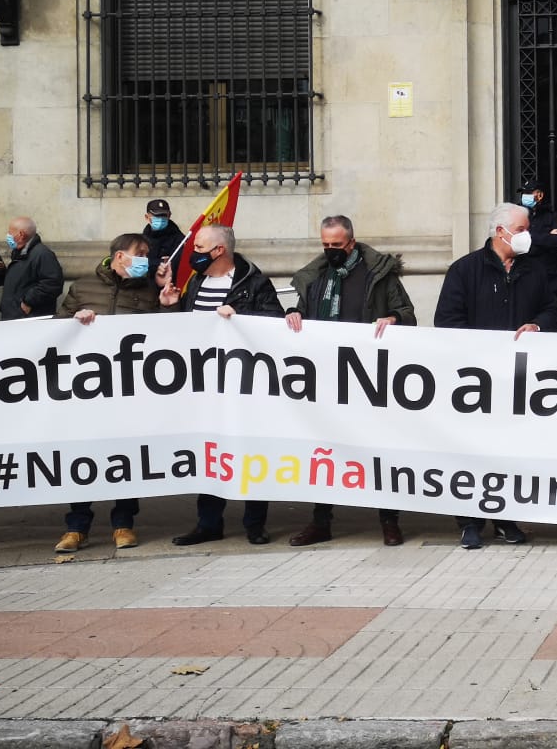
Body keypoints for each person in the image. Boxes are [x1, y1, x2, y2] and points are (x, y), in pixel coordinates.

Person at [435, 202, 557, 549]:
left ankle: (505, 517)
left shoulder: (534, 271)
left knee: (508, 450)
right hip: (474, 383)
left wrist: (538, 325)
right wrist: (480, 353)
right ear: (500, 232)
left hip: (517, 382)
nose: (527, 236)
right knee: (471, 451)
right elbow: (447, 322)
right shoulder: (464, 270)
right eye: (522, 230)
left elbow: (553, 310)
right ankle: (469, 522)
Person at [284, 215, 417, 548]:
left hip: (369, 377)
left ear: (352, 243)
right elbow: (303, 310)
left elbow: (408, 313)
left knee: (379, 449)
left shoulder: (378, 275)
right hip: (326, 377)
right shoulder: (315, 277)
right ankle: (321, 520)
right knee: (324, 448)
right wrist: (293, 313)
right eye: (326, 245)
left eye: (337, 246)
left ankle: (389, 520)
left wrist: (393, 318)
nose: (331, 251)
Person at [159, 225, 285, 546]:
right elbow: (184, 335)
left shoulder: (253, 282)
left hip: (244, 385)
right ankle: (208, 522)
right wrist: (171, 306)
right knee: (211, 452)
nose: (193, 253)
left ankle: (255, 524)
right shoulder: (196, 282)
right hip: (206, 385)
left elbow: (274, 322)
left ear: (219, 251)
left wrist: (240, 314)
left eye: (199, 248)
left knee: (251, 452)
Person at [53, 233, 167, 553]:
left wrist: (169, 303)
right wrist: (75, 321)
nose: (146, 258)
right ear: (119, 257)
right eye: (140, 253)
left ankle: (123, 523)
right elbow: (56, 329)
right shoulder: (83, 287)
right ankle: (76, 527)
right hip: (88, 389)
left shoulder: (149, 292)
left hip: (130, 389)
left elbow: (167, 335)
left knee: (127, 457)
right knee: (82, 456)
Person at [516, 179, 557, 315]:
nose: (524, 196)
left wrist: (530, 237)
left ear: (539, 195)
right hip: (524, 279)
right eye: (523, 193)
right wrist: (546, 236)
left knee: (553, 318)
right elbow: (516, 241)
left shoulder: (552, 216)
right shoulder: (517, 216)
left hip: (549, 280)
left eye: (528, 192)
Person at [0, 217, 65, 321]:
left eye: (10, 233)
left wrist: (28, 301)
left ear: (21, 234)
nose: (8, 236)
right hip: (15, 317)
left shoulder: (42, 254)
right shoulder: (20, 254)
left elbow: (52, 283)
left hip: (30, 318)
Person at [142, 198, 185, 279]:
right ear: (147, 217)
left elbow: (176, 265)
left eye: (164, 215)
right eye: (157, 216)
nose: (161, 219)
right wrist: (159, 263)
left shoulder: (179, 240)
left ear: (169, 216)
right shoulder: (142, 239)